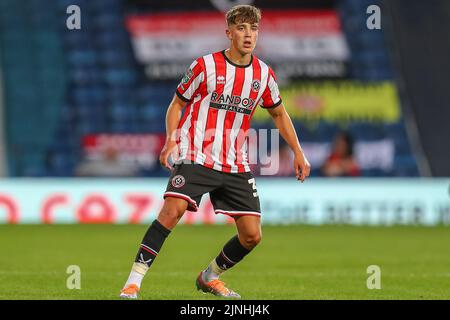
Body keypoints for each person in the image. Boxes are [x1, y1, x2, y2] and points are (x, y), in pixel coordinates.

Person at [119, 5, 311, 299]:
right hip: (196, 153)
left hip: (235, 163)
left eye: (254, 29)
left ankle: (210, 276)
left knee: (252, 235)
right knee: (172, 212)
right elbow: (177, 104)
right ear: (229, 32)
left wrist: (298, 151)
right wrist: (172, 138)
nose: (248, 35)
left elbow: (279, 114)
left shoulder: (263, 74)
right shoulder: (204, 66)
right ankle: (133, 283)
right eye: (242, 28)